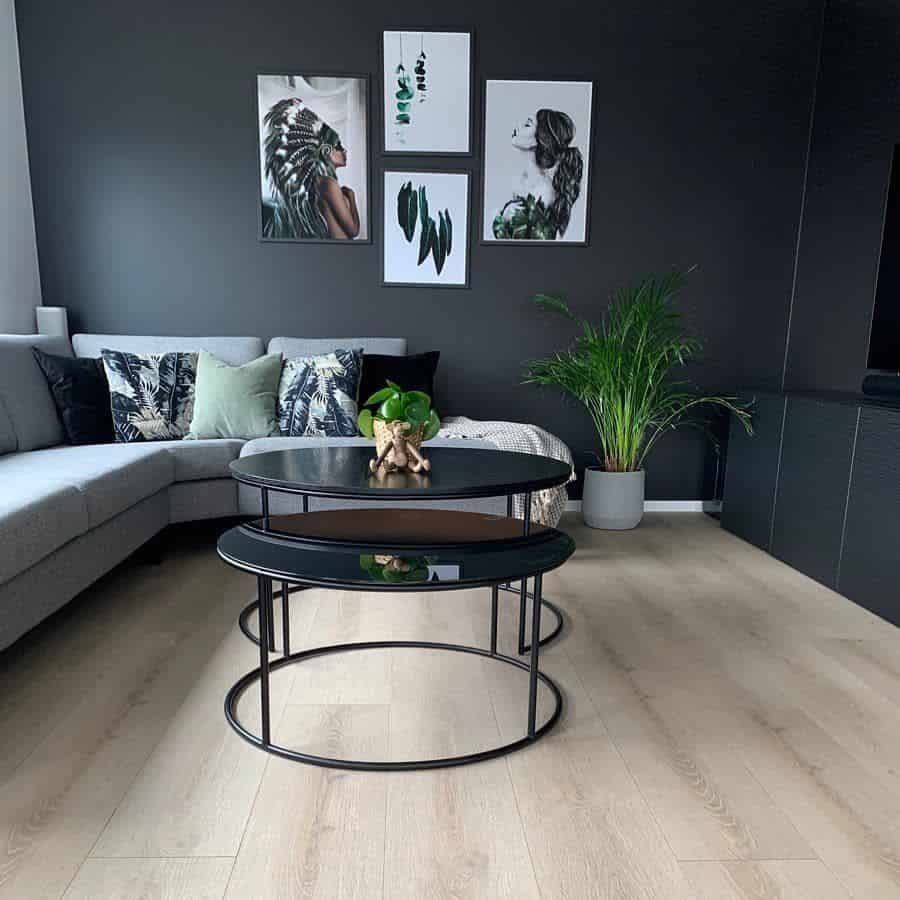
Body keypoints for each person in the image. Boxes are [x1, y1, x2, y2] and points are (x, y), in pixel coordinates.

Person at [262, 98, 360, 240]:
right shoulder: (328, 184)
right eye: (338, 146)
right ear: (326, 151)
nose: (344, 151)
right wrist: (351, 196)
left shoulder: (317, 184)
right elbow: (354, 231)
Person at [492, 108, 584, 241]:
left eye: (527, 125)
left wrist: (499, 220)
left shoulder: (544, 193)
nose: (518, 127)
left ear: (541, 139)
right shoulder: (521, 180)